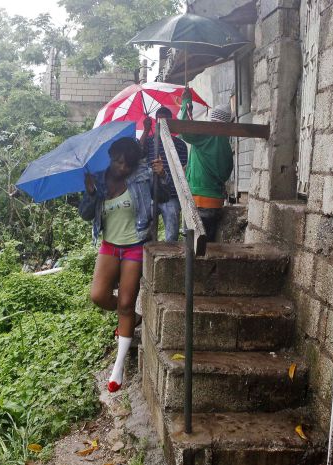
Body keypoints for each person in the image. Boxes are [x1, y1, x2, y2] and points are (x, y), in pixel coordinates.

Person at [78, 137, 164, 393]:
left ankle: (119, 367)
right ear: (111, 157)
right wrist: (92, 194)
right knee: (98, 296)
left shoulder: (142, 175)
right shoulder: (99, 178)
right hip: (109, 245)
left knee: (125, 303)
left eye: (127, 164)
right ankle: (132, 318)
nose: (122, 167)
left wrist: (161, 177)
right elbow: (85, 214)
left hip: (135, 245)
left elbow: (163, 198)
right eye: (118, 161)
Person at [178, 88, 234, 241]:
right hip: (215, 203)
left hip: (198, 200)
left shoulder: (206, 134)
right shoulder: (226, 145)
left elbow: (185, 130)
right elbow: (225, 172)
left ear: (212, 119)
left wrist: (186, 103)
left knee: (191, 248)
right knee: (208, 248)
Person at [139, 107, 189, 241]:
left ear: (170, 122)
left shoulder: (180, 145)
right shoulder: (149, 141)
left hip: (171, 195)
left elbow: (183, 173)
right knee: (145, 235)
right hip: (150, 195)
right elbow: (138, 152)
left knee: (171, 237)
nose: (161, 123)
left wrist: (164, 174)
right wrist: (145, 129)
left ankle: (168, 261)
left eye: (164, 120)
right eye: (158, 120)